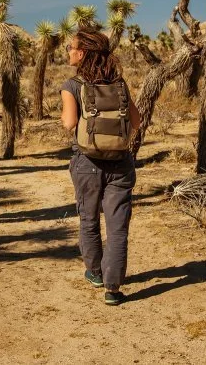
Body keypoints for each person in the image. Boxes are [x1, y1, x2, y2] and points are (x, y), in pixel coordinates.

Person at [60, 29, 140, 305]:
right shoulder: (119, 83)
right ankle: (113, 288)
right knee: (117, 226)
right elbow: (136, 121)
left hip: (86, 163)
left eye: (71, 47)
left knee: (89, 219)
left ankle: (94, 272)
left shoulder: (72, 85)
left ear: (81, 53)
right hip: (120, 162)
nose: (68, 51)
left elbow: (69, 124)